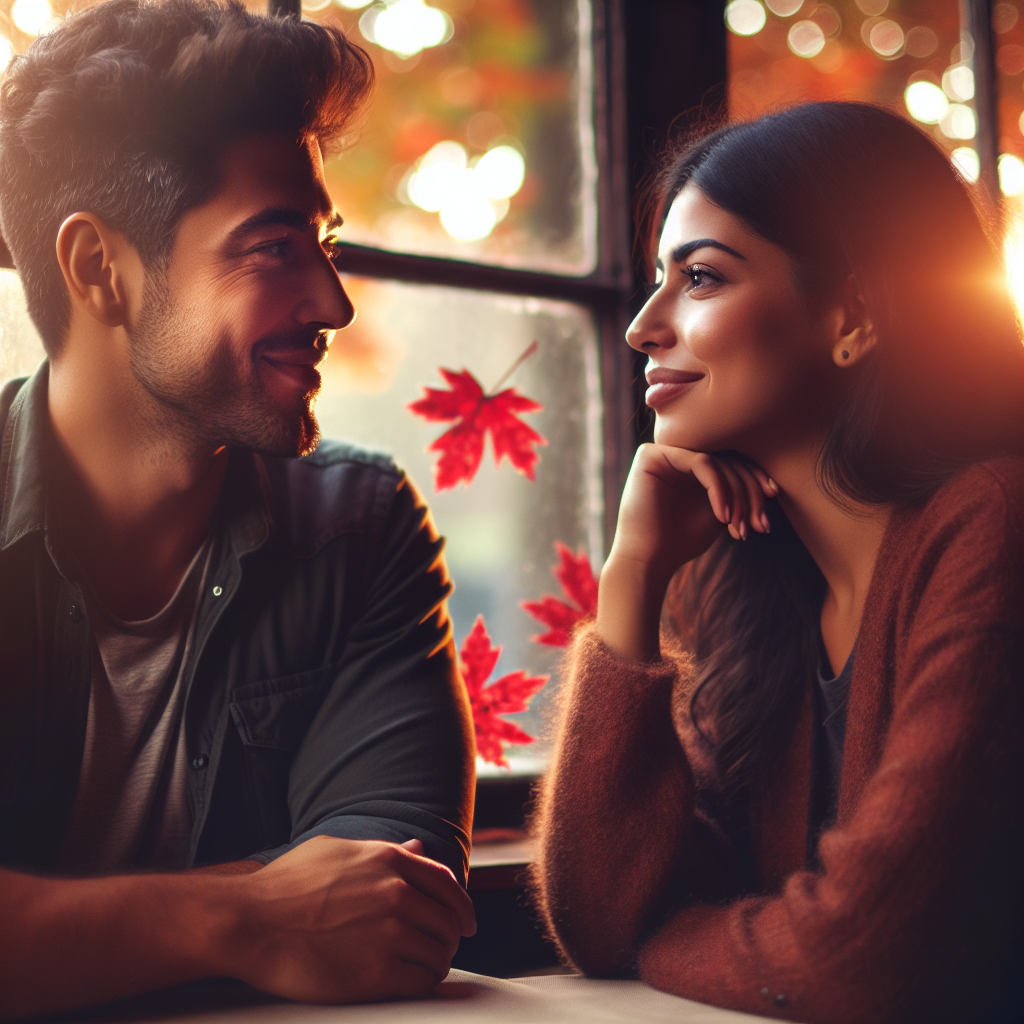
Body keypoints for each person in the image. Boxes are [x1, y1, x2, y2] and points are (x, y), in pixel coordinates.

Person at [0, 0, 477, 1018]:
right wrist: (249, 915)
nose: (333, 303)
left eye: (325, 242)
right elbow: (309, 911)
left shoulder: (362, 527)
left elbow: (393, 908)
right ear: (98, 270)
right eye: (273, 247)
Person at [533, 102, 1024, 1024]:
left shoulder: (993, 524)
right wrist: (634, 576)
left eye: (702, 280)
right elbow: (601, 923)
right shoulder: (755, 591)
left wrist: (664, 936)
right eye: (654, 283)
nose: (644, 326)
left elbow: (857, 958)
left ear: (854, 314)